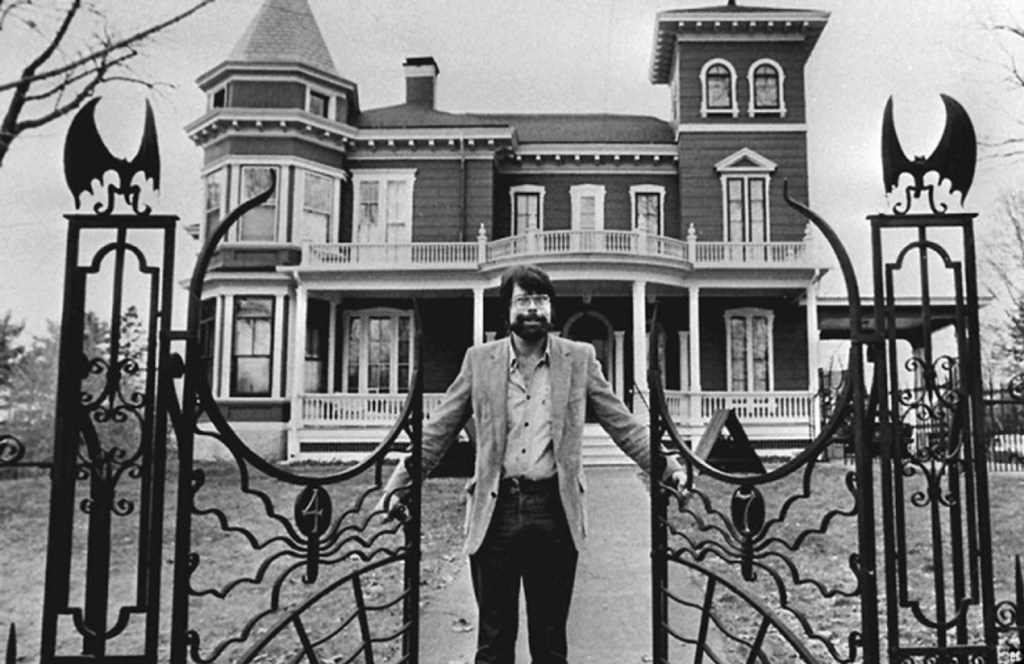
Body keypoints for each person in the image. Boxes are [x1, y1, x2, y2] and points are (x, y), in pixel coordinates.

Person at [380, 263, 686, 664]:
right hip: (495, 513)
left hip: (553, 512)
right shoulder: (479, 361)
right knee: (493, 643)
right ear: (507, 309)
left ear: (551, 308)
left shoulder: (579, 359)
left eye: (541, 300)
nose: (532, 309)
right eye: (523, 300)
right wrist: (399, 485)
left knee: (550, 643)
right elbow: (437, 431)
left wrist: (669, 468)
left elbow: (623, 424)